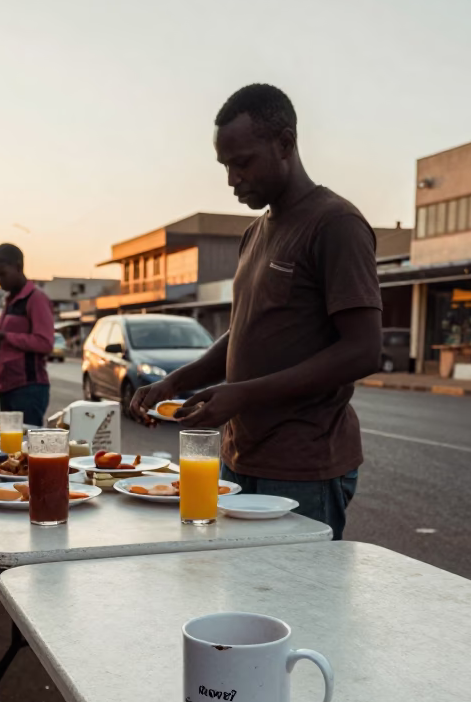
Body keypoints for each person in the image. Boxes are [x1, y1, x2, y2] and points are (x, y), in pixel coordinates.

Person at [131, 84, 382, 539]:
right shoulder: (255, 233)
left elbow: (363, 351)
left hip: (301, 467)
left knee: (296, 605)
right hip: (238, 457)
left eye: (242, 162)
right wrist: (178, 380)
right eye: (226, 165)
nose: (232, 178)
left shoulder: (335, 224)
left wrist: (242, 393)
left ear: (285, 144)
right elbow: (245, 331)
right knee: (242, 599)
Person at [0, 243, 54, 426]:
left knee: (26, 447)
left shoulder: (36, 299)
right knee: (9, 447)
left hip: (28, 388)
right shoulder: (9, 301)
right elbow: (9, 344)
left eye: (2, 274)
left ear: (18, 267)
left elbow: (45, 342)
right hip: (6, 386)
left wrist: (4, 337)